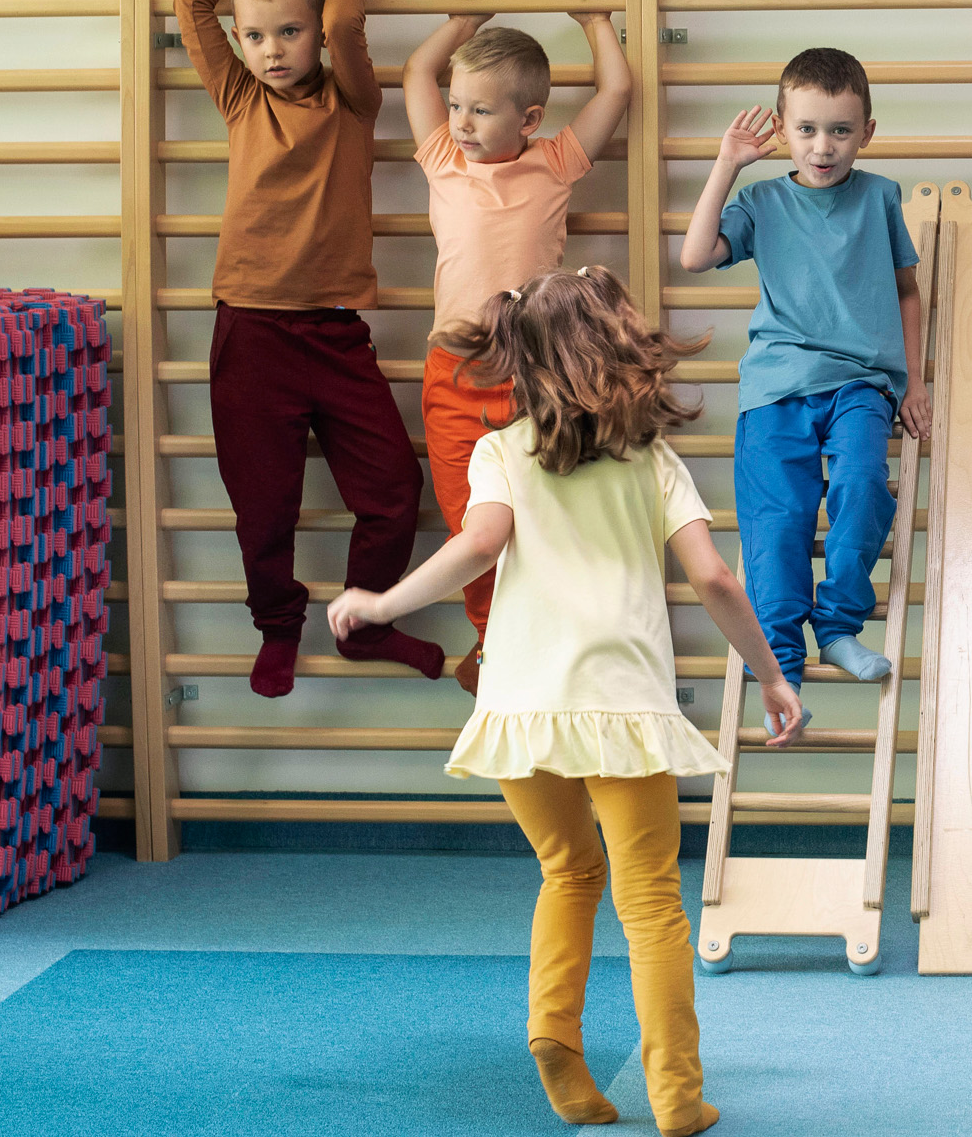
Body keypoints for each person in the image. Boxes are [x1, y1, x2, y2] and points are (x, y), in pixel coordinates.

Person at [328, 267, 798, 1137]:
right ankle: (677, 1094)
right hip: (623, 712)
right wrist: (771, 675)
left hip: (520, 708)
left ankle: (555, 1035)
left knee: (567, 870)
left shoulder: (500, 450)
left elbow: (478, 545)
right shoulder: (654, 462)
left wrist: (386, 603)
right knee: (650, 898)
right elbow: (715, 578)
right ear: (621, 352)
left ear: (525, 364)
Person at [174, 0, 432, 698]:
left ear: (317, 33)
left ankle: (365, 620)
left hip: (333, 334)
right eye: (255, 36)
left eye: (291, 31)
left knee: (394, 490)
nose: (272, 49)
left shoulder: (352, 100)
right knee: (264, 507)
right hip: (250, 334)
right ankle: (277, 625)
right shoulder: (240, 96)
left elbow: (349, 10)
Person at [404, 0, 633, 694]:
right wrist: (461, 20)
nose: (462, 121)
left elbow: (617, 92)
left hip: (538, 370)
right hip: (455, 372)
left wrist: (595, 19)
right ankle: (489, 638)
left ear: (529, 117)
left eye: (480, 109)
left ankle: (545, 635)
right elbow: (416, 73)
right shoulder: (443, 157)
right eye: (457, 105)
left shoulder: (554, 161)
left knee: (543, 510)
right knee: (470, 516)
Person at [679, 48, 929, 691]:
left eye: (841, 130)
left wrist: (915, 381)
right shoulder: (761, 200)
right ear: (784, 130)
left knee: (864, 489)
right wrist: (727, 164)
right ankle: (781, 668)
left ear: (866, 133)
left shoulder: (880, 196)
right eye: (807, 129)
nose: (823, 147)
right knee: (777, 521)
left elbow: (907, 291)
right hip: (775, 387)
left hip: (860, 383)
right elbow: (695, 255)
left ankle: (840, 627)